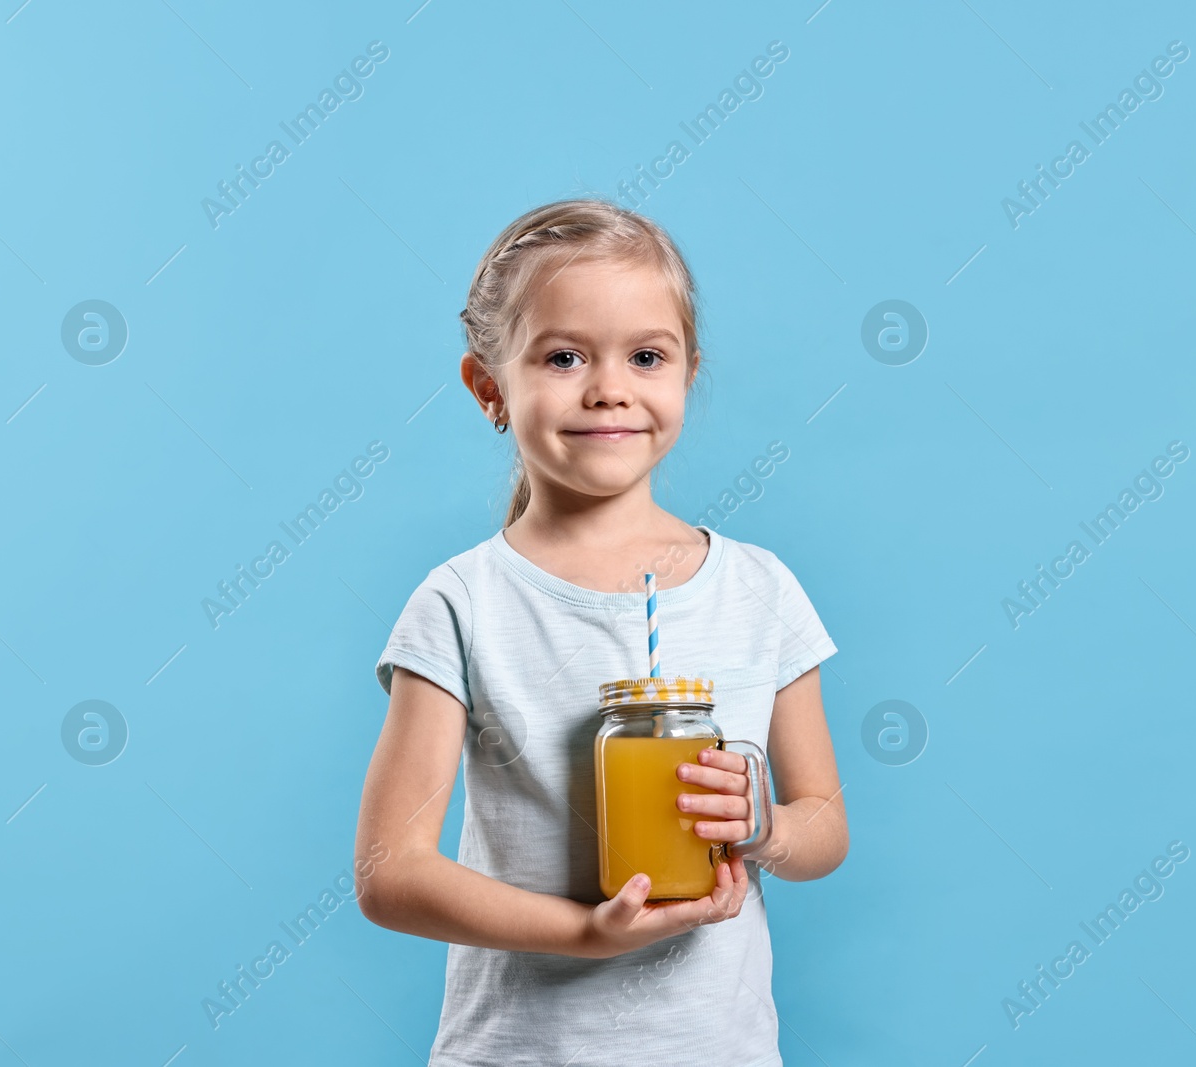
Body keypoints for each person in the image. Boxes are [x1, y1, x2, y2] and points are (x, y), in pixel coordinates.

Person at [354, 197, 848, 1066]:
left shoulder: (760, 591)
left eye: (646, 355)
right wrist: (586, 931)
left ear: (688, 372)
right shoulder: (463, 602)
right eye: (563, 356)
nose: (609, 386)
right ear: (489, 387)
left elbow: (824, 828)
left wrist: (763, 825)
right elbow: (390, 873)